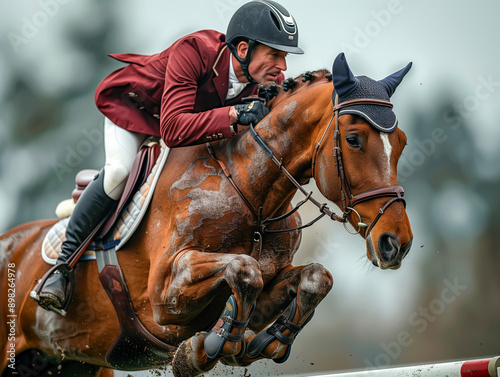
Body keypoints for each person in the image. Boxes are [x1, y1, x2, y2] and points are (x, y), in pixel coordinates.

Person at [33, 0, 304, 313]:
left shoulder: (266, 82)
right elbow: (173, 129)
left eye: (284, 57)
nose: (283, 66)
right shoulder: (194, 51)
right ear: (243, 49)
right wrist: (234, 113)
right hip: (140, 113)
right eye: (275, 54)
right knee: (120, 172)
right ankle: (62, 268)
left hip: (193, 130)